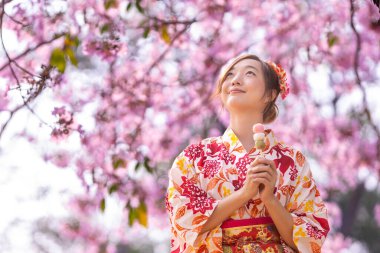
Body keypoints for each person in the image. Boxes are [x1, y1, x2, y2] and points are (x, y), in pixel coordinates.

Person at [165, 53, 330, 253]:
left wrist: (270, 199)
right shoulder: (193, 157)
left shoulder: (292, 161)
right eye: (230, 75)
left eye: (249, 73)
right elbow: (183, 220)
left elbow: (311, 238)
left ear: (270, 93)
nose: (235, 80)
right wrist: (245, 193)